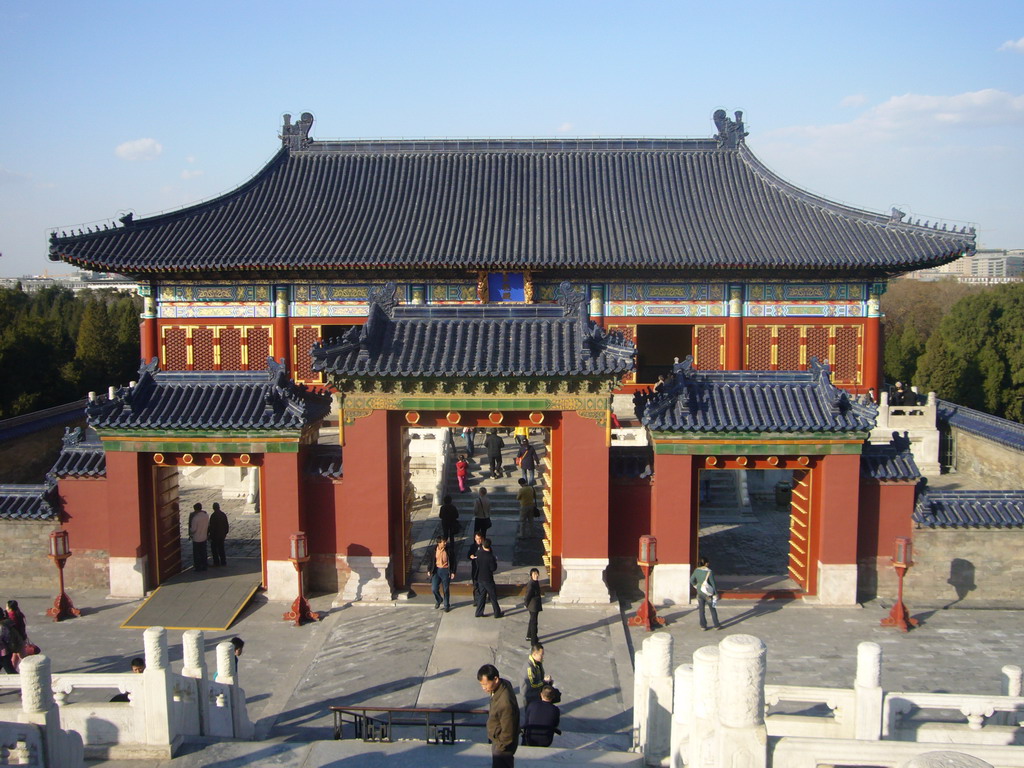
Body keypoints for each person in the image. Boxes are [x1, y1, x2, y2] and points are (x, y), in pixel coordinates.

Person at [478, 664, 519, 767]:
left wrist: (499, 748)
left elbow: (508, 731)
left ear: (495, 679)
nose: (483, 688)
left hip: (503, 747)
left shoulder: (504, 703)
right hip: (498, 740)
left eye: (485, 684)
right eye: (482, 685)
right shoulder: (503, 685)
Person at [689, 556, 722, 631]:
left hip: (700, 592)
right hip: (709, 594)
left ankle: (703, 626)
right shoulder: (709, 572)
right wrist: (716, 593)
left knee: (701, 609)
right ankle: (716, 625)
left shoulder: (696, 570)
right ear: (706, 563)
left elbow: (691, 580)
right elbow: (713, 583)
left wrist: (696, 586)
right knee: (712, 609)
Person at [474, 538, 503, 618]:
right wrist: (495, 562)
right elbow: (493, 568)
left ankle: (479, 612)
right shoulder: (490, 557)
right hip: (488, 579)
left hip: (480, 578)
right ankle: (497, 613)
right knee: (493, 596)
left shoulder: (479, 553)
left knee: (481, 596)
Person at [522, 642, 552, 708]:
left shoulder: (538, 663)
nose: (543, 657)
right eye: (541, 655)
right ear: (535, 654)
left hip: (536, 694)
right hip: (530, 696)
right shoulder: (529, 667)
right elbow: (532, 684)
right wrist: (544, 681)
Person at [431, 538, 452, 612]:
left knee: (446, 589)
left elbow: (453, 561)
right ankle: (439, 599)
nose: (445, 543)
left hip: (445, 570)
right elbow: (431, 560)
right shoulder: (434, 550)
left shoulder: (448, 550)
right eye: (443, 542)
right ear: (439, 543)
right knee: (434, 588)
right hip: (437, 570)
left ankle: (446, 605)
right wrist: (429, 569)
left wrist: (453, 572)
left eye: (445, 542)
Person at [189, 503, 210, 572]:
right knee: (203, 552)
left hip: (196, 538)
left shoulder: (195, 518)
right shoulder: (206, 515)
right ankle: (204, 565)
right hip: (204, 536)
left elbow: (193, 529)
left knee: (197, 554)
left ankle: (197, 567)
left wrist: (190, 532)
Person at [208, 502, 229, 567]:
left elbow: (211, 527)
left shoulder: (213, 516)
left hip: (215, 536)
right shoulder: (223, 514)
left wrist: (209, 535)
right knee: (221, 549)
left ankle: (216, 562)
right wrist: (225, 533)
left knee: (214, 549)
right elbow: (226, 525)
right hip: (222, 535)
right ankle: (223, 561)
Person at [524, 568, 542, 643]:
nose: (536, 576)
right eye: (534, 574)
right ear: (531, 575)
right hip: (533, 605)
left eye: (537, 574)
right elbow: (528, 595)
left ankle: (529, 636)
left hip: (534, 605)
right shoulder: (531, 584)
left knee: (532, 620)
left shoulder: (535, 582)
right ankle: (534, 641)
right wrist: (526, 604)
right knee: (534, 623)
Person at [467, 531, 486, 602]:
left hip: (482, 568)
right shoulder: (473, 546)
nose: (479, 540)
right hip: (475, 567)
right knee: (475, 584)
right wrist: (471, 556)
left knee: (483, 584)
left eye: (480, 539)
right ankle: (476, 599)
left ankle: (482, 598)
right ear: (475, 539)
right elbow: (468, 555)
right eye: (477, 539)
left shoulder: (484, 546)